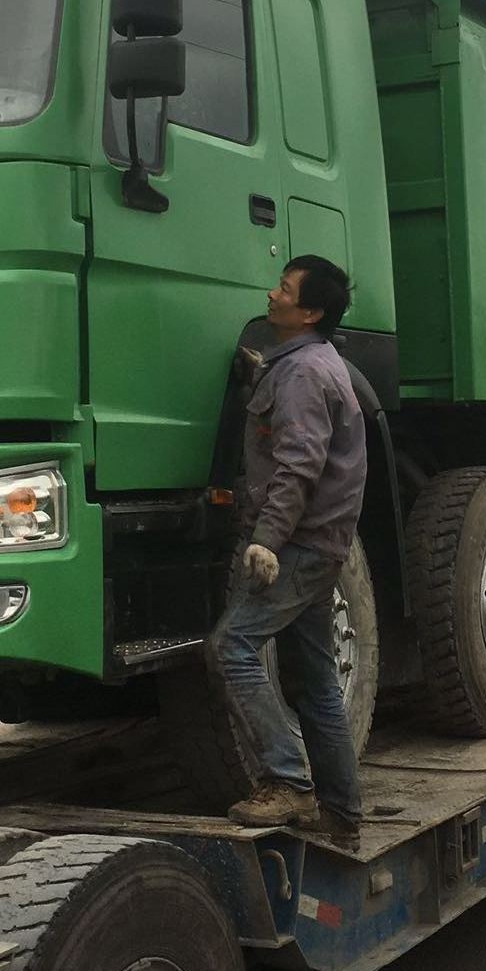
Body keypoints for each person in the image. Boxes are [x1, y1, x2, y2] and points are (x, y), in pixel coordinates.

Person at [208, 255, 367, 849]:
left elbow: (298, 464)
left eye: (284, 289)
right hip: (321, 543)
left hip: (297, 544)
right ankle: (343, 814)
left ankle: (287, 782)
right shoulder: (310, 363)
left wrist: (267, 541)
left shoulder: (303, 375)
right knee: (318, 679)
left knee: (233, 646)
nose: (270, 294)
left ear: (310, 312)